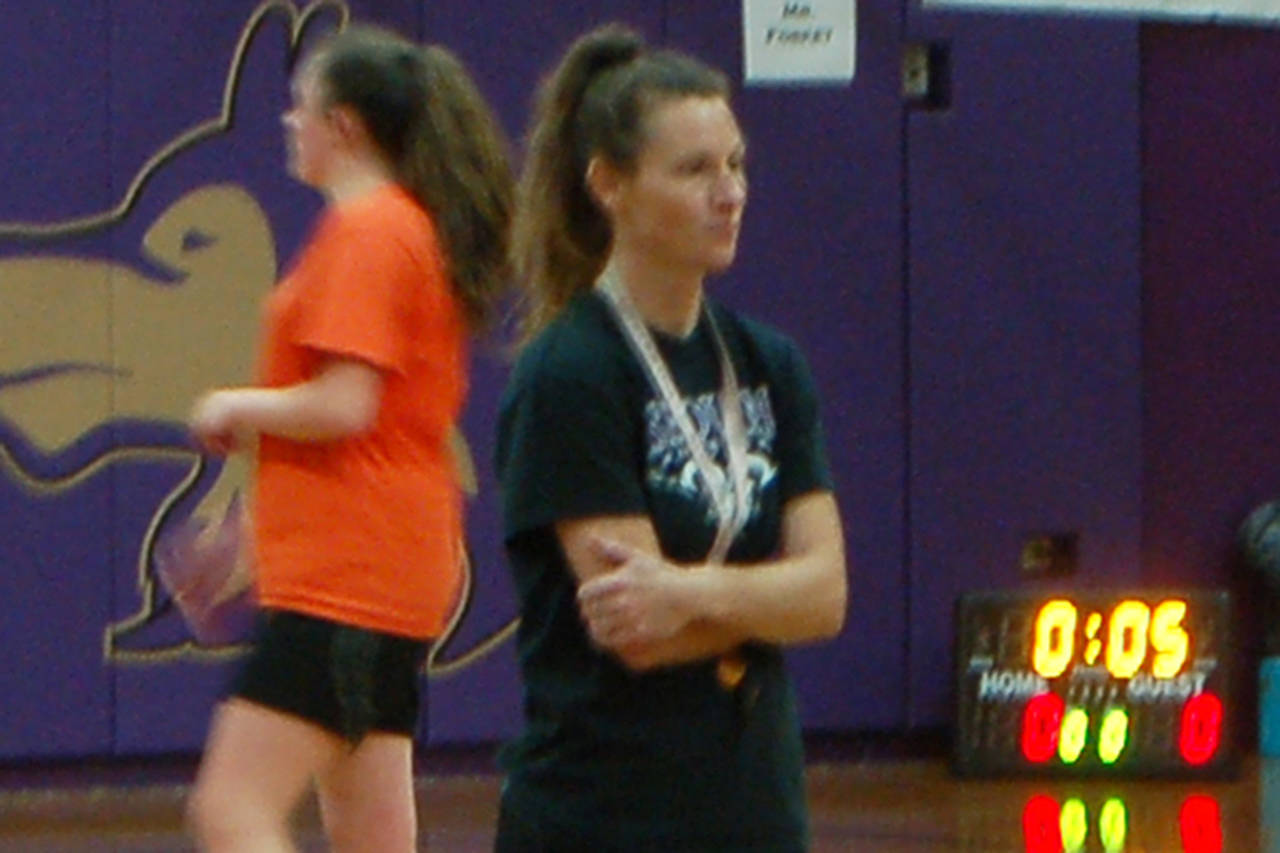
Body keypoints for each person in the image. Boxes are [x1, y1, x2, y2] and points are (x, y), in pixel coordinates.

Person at [495, 23, 848, 853]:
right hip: (604, 815)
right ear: (610, 185)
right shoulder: (571, 371)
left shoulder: (771, 363)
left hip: (752, 808)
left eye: (735, 164)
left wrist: (690, 592)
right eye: (694, 170)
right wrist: (771, 600)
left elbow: (828, 596)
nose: (729, 193)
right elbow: (640, 632)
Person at [183, 25, 512, 852]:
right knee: (370, 832)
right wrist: (259, 535)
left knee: (231, 809)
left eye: (299, 108)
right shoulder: (395, 230)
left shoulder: (371, 232)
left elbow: (345, 405)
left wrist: (233, 404)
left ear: (347, 125)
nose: (288, 124)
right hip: (380, 563)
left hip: (351, 575)